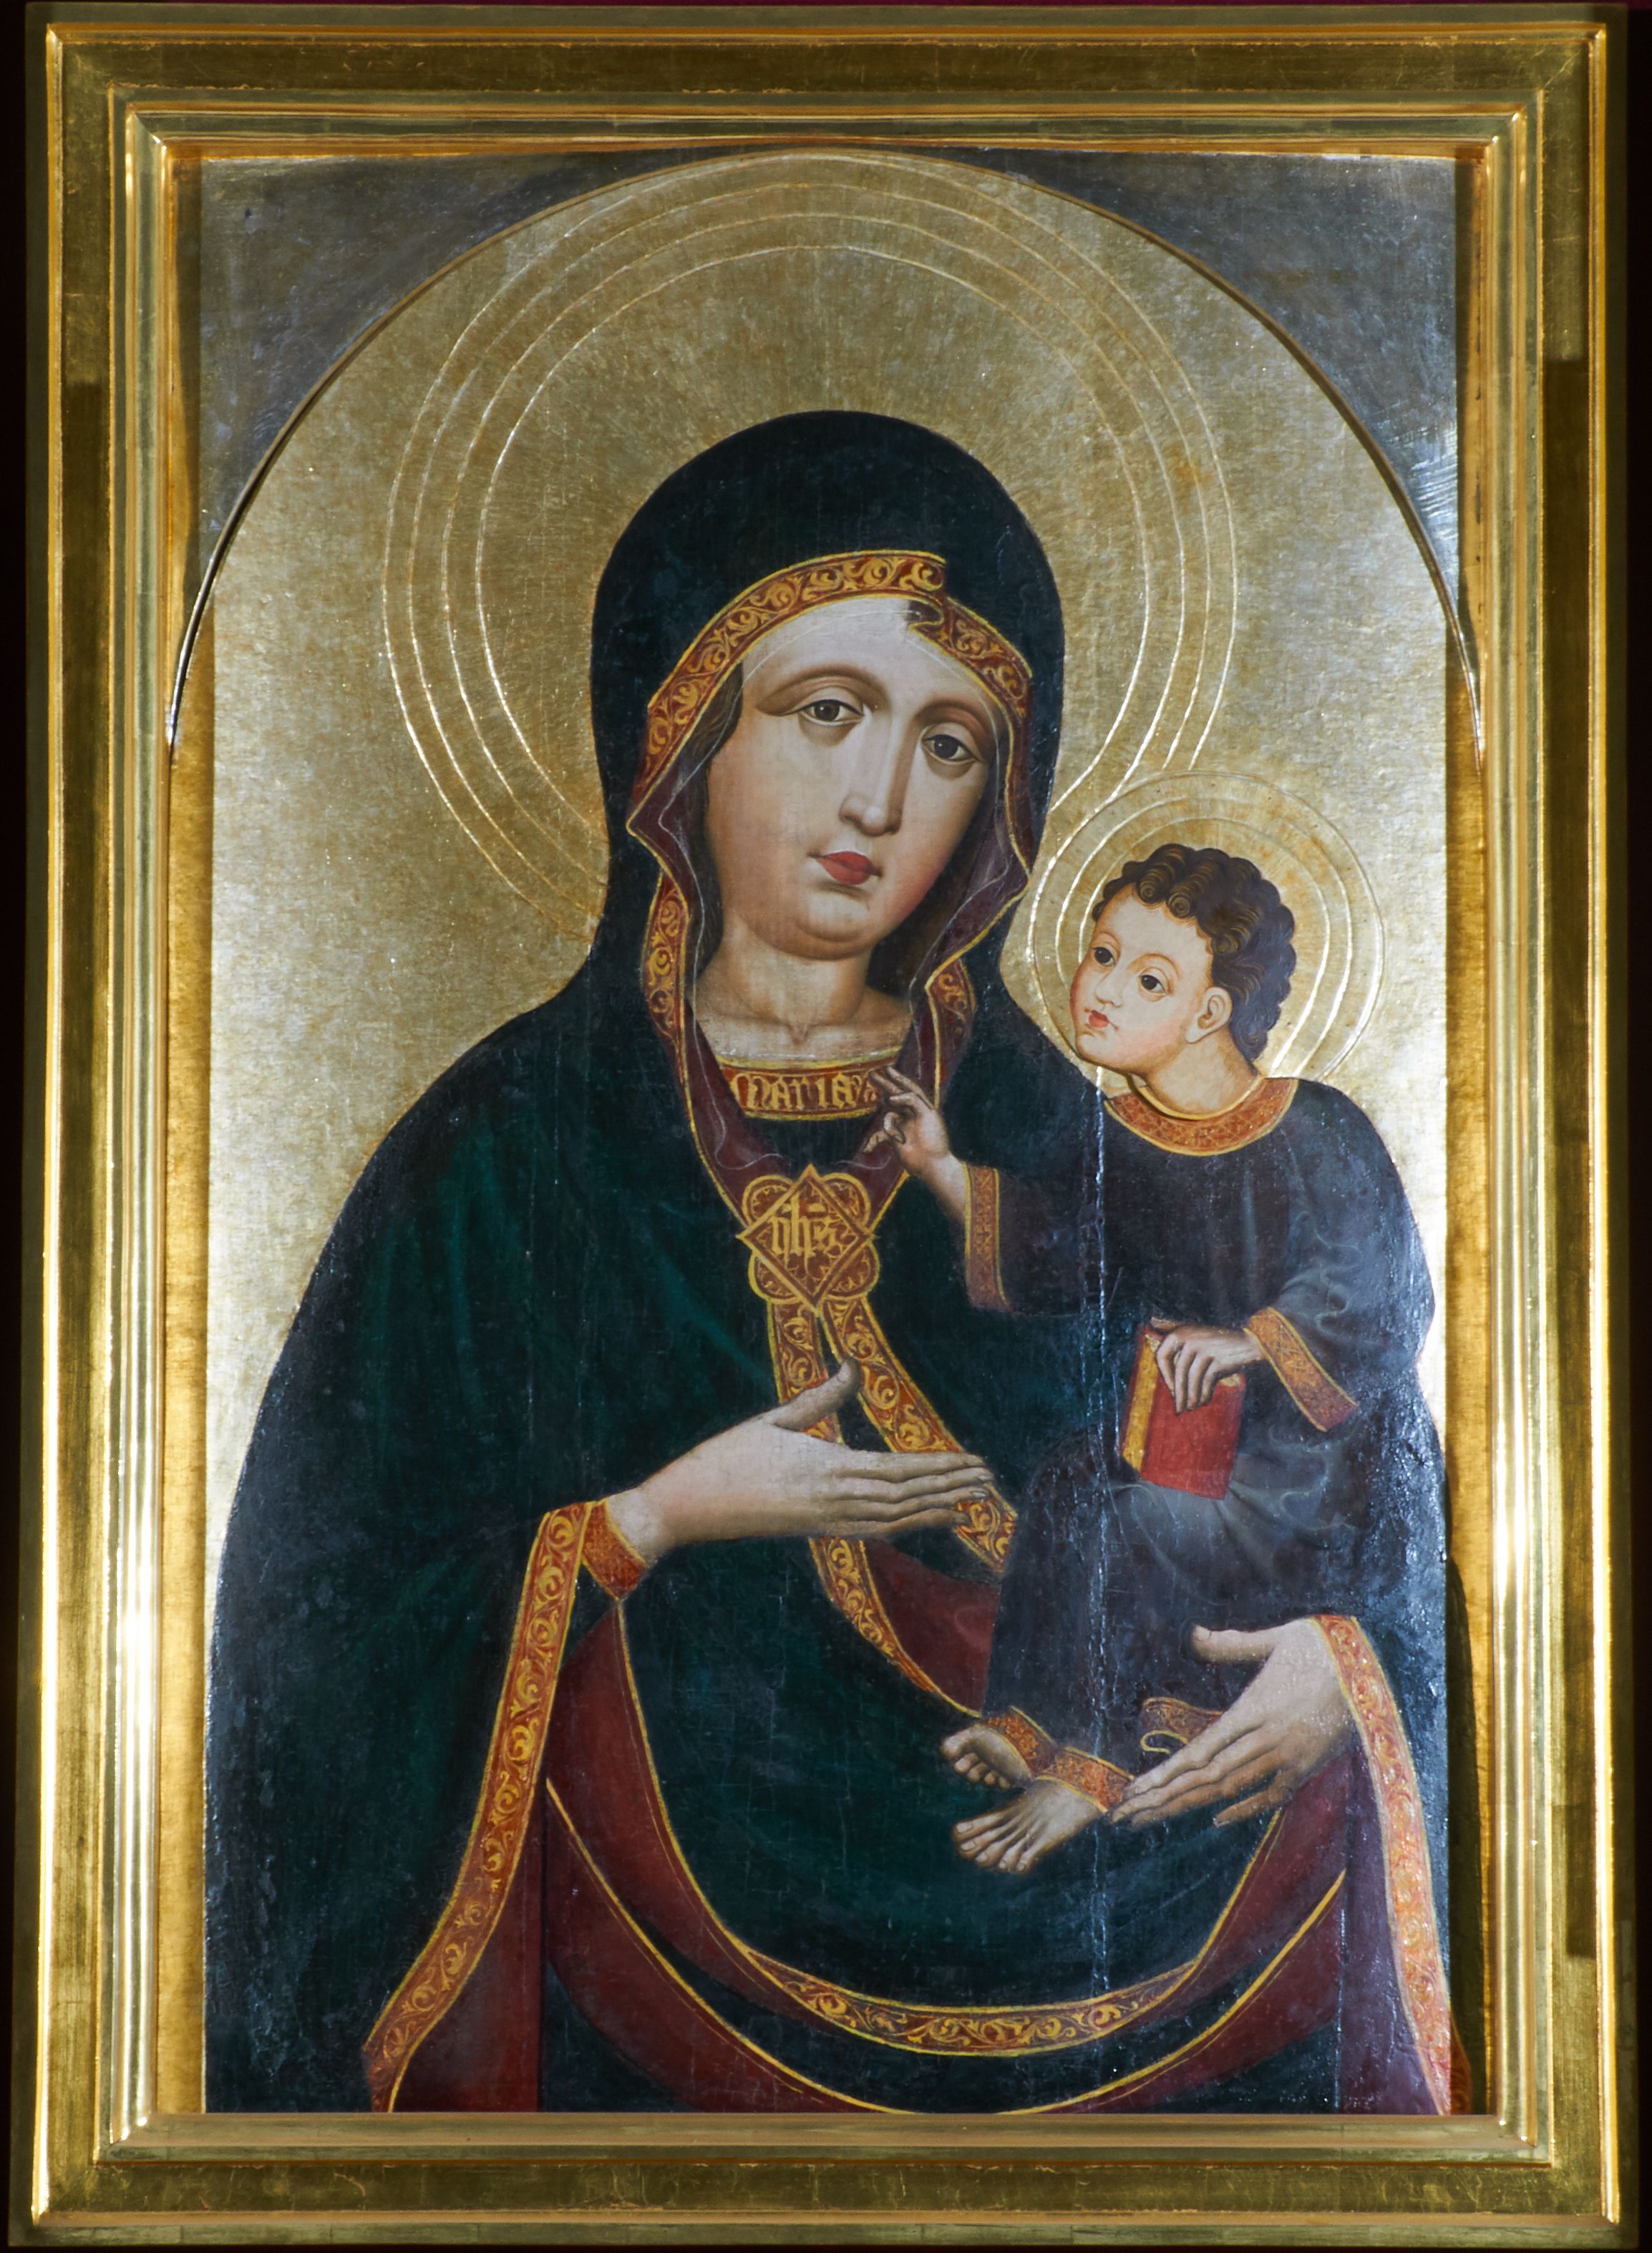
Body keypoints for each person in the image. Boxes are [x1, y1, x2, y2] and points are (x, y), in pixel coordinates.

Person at [206, 414, 1452, 2118]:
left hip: (1136, 1875)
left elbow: (1356, 1468)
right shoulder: (498, 1151)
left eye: (947, 742)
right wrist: (649, 1522)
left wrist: (1351, 1669)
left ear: (1003, 798)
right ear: (680, 738)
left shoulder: (1092, 1139)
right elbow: (318, 1649)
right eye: (822, 712)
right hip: (641, 1948)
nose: (878, 799)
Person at [868, 843, 1448, 1894]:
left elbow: (1381, 1289)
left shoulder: (1315, 1126)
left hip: (1311, 1476)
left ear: (1210, 1012)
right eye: (1100, 955)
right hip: (1187, 1431)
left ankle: (1090, 1771)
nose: (1100, 988)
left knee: (1139, 1523)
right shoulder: (1121, 1138)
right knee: (1072, 1481)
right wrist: (942, 1169)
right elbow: (1059, 1252)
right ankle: (1030, 1726)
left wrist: (1253, 1341)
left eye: (1147, 978)